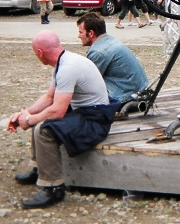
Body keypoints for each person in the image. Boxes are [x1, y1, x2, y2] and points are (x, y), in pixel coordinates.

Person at [7, 30, 118, 209]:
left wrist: (29, 121)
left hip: (95, 121)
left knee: (44, 129)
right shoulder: (62, 62)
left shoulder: (67, 68)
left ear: (40, 53)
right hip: (85, 113)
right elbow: (49, 98)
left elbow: (57, 111)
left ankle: (54, 188)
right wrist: (24, 114)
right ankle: (39, 170)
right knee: (40, 123)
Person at [77, 13, 149, 109]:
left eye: (81, 32)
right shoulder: (110, 40)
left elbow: (86, 83)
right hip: (140, 92)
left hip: (127, 98)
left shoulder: (98, 51)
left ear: (91, 33)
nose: (78, 36)